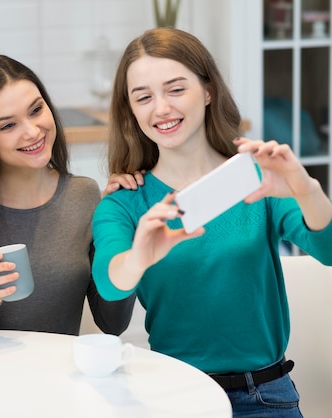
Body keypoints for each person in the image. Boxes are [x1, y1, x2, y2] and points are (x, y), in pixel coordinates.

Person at [91, 27, 332, 417]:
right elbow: (109, 283)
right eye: (144, 97)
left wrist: (305, 188)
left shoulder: (258, 179)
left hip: (267, 395)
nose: (161, 108)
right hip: (177, 395)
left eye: (175, 89)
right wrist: (140, 256)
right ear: (131, 111)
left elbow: (328, 250)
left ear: (207, 91)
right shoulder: (124, 204)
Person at [0, 54, 136, 335]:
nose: (33, 132)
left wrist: (119, 232)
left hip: (59, 375)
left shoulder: (84, 196)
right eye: (8, 125)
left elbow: (112, 323)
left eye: (36, 110)